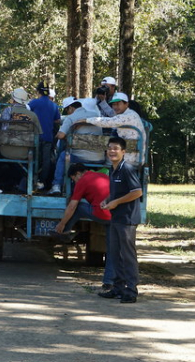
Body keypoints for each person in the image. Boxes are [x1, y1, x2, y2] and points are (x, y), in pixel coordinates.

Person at [53, 164, 115, 290]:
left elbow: (72, 207)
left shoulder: (82, 181)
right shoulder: (102, 175)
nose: (74, 181)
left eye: (73, 178)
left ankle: (64, 233)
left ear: (78, 174)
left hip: (102, 213)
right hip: (115, 216)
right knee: (111, 250)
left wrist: (62, 223)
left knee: (79, 206)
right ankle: (109, 282)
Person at [98, 137, 143, 304]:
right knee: (115, 253)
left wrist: (116, 202)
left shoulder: (127, 169)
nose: (112, 151)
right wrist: (108, 200)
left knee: (127, 255)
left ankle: (131, 291)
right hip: (116, 217)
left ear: (123, 152)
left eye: (116, 148)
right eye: (110, 148)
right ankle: (118, 288)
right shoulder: (113, 169)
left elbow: (137, 192)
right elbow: (116, 192)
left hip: (127, 218)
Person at [48, 99, 102, 195]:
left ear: (71, 108)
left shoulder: (71, 118)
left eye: (67, 110)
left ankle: (57, 185)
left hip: (80, 157)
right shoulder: (95, 115)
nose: (68, 113)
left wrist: (58, 135)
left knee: (63, 155)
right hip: (99, 158)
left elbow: (61, 135)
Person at [82, 92, 147, 167]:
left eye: (118, 104)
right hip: (130, 154)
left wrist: (86, 120)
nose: (115, 107)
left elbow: (108, 122)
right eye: (114, 104)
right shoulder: (125, 114)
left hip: (131, 158)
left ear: (126, 104)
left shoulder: (129, 116)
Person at [28, 81, 61, 190]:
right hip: (48, 137)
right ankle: (42, 182)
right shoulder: (54, 105)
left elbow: (26, 114)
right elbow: (57, 121)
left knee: (33, 158)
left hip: (34, 137)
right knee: (46, 160)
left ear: (38, 91)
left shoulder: (34, 103)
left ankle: (31, 180)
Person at [0, 87, 42, 159]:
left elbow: (1, 129)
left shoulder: (7, 111)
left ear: (13, 100)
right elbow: (38, 135)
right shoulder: (33, 115)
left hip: (5, 151)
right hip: (24, 153)